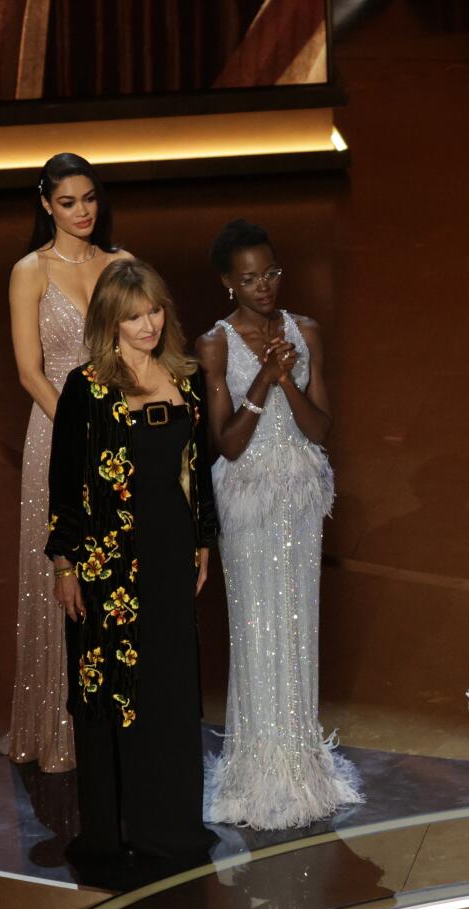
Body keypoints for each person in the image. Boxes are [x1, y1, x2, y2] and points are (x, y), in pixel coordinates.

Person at [48, 260, 218, 872]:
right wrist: (66, 565)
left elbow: (196, 472)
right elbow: (64, 483)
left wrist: (203, 540)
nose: (148, 325)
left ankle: (169, 825)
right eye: (134, 316)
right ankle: (113, 830)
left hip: (170, 554)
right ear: (110, 323)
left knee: (170, 688)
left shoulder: (185, 378)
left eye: (154, 311)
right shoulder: (87, 388)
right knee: (113, 692)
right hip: (107, 563)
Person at [197, 219, 361, 830]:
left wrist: (289, 377)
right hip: (248, 503)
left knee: (297, 625)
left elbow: (320, 429)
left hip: (298, 498)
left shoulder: (306, 331)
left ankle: (299, 761)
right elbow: (228, 444)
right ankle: (256, 767)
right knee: (256, 627)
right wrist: (264, 378)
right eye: (248, 278)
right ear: (226, 283)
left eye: (270, 273)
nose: (263, 287)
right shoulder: (214, 344)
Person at [0, 153, 130, 773]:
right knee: (64, 574)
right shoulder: (30, 272)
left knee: (117, 575)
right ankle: (56, 725)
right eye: (69, 202)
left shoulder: (123, 266)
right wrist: (82, 431)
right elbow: (29, 371)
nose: (82, 212)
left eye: (90, 199)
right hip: (56, 435)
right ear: (45, 204)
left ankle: (117, 718)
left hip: (121, 437)